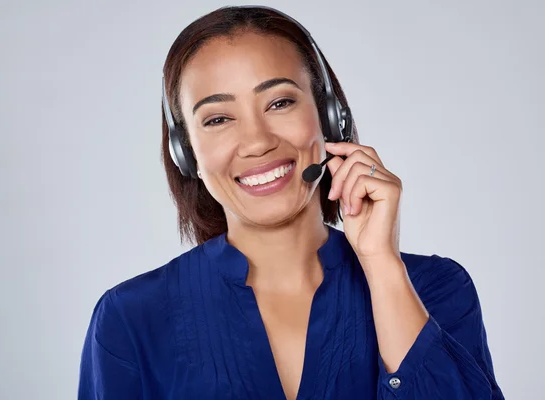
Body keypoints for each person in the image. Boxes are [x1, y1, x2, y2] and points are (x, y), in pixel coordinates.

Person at [78, 5, 504, 399]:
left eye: (280, 102)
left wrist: (381, 265)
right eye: (218, 119)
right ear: (185, 152)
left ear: (329, 116)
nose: (258, 142)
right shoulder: (130, 320)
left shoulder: (435, 288)